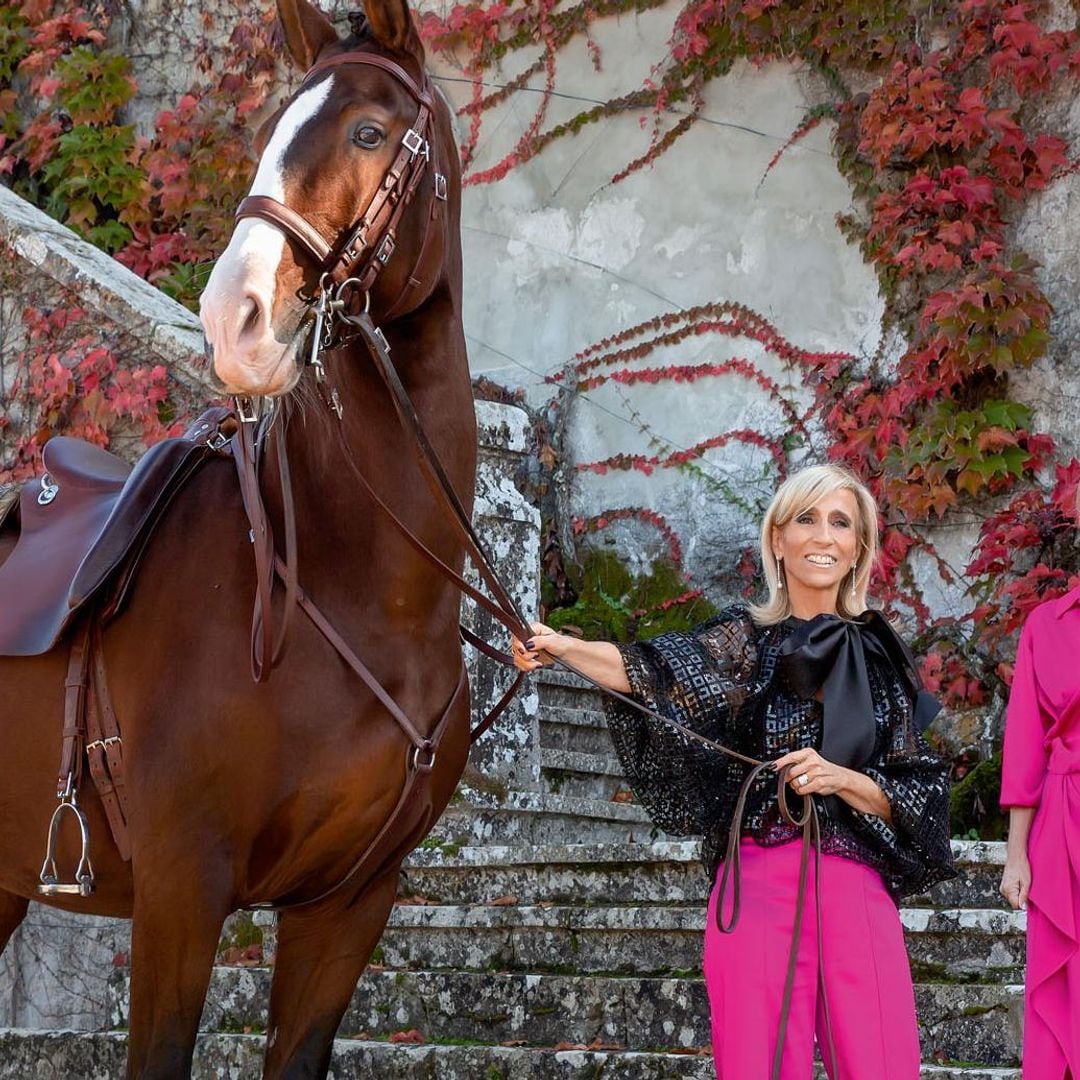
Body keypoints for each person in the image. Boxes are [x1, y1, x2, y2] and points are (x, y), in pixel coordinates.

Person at [514, 463, 955, 1079]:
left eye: (840, 523)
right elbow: (655, 674)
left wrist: (842, 779)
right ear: (778, 539)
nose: (823, 536)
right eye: (806, 519)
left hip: (857, 889)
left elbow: (923, 796)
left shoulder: (883, 658)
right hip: (760, 884)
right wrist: (563, 647)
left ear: (858, 547)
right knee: (756, 1065)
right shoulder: (745, 640)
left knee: (883, 1064)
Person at [1000, 563, 1080, 1080]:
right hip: (1062, 821)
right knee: (1061, 984)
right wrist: (1015, 854)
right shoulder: (1046, 624)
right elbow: (1027, 741)